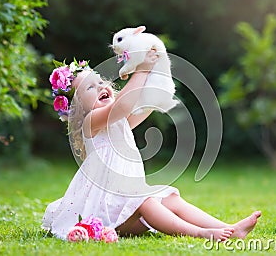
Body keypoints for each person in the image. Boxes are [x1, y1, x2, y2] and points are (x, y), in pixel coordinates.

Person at [42, 50, 261, 241]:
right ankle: (200, 233)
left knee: (170, 199)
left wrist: (156, 86)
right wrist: (142, 70)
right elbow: (122, 105)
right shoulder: (91, 122)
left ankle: (228, 229)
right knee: (145, 200)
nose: (100, 86)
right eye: (90, 87)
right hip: (105, 213)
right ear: (78, 108)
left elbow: (138, 109)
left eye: (100, 81)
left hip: (126, 212)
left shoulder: (118, 121)